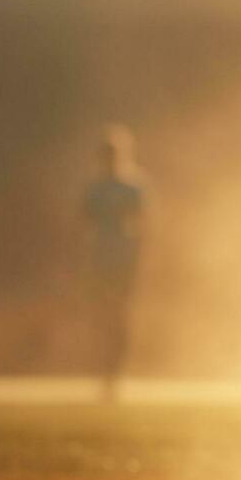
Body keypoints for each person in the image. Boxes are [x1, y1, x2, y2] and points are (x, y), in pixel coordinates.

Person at [82, 125, 147, 402]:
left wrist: (138, 256)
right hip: (100, 257)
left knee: (119, 315)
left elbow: (143, 224)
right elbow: (84, 223)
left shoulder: (132, 186)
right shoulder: (95, 188)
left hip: (123, 258)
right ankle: (104, 372)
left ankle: (116, 373)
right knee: (102, 316)